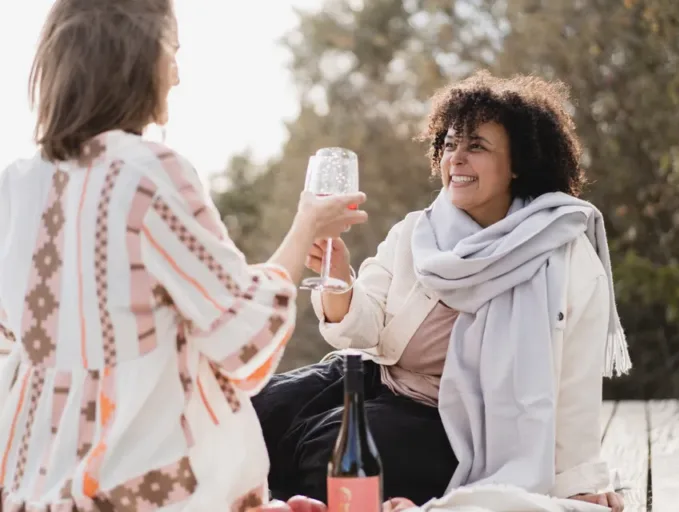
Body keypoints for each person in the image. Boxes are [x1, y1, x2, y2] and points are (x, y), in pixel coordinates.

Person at [0, 1, 366, 510]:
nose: (175, 72)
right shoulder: (148, 173)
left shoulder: (14, 185)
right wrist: (306, 226)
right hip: (147, 490)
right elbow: (243, 340)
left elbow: (13, 346)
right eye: (171, 51)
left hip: (33, 488)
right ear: (134, 60)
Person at [252, 71, 629, 512]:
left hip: (454, 423)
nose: (457, 159)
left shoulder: (560, 254)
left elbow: (573, 382)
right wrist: (341, 281)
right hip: (377, 378)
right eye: (450, 144)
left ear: (518, 163)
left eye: (477, 146)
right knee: (252, 412)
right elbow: (364, 325)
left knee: (326, 456)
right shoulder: (419, 231)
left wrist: (577, 479)